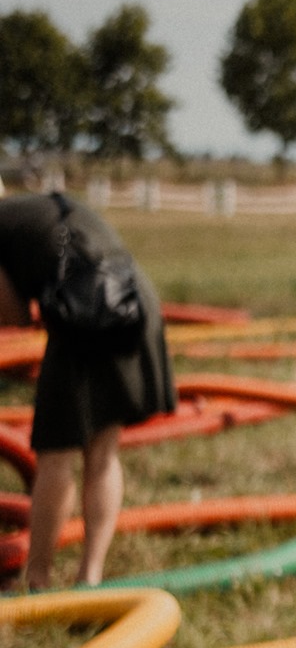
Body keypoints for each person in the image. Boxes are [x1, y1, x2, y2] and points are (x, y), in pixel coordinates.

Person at [0, 190, 177, 589]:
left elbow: (13, 315)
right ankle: (89, 578)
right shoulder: (30, 210)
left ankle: (38, 583)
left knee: (56, 453)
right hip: (135, 300)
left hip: (91, 308)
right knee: (102, 451)